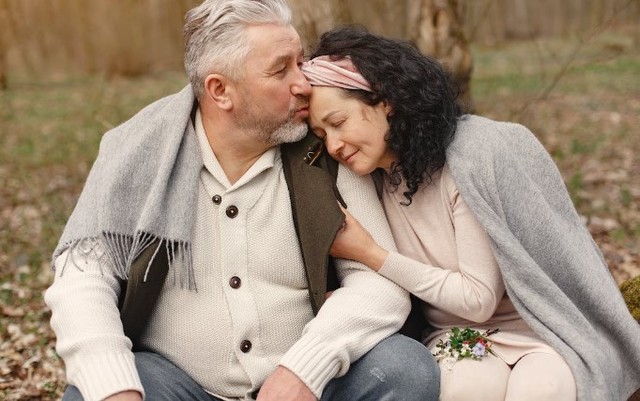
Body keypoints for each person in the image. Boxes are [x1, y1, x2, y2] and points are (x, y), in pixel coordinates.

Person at [44, 3, 441, 401]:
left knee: (404, 369)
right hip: (177, 385)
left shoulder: (326, 147)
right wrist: (115, 388)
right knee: (91, 395)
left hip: (309, 388)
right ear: (220, 90)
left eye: (299, 62)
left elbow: (379, 286)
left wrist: (305, 369)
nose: (304, 84)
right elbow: (81, 282)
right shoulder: (136, 151)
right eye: (280, 70)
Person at [301, 25, 640, 401]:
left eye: (338, 123)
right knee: (467, 389)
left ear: (385, 101)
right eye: (322, 134)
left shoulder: (469, 159)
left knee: (540, 390)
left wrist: (371, 254)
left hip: (539, 329)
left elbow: (478, 299)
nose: (333, 145)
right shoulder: (365, 181)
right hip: (456, 336)